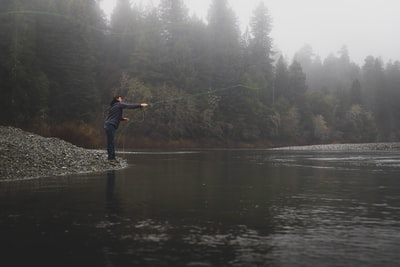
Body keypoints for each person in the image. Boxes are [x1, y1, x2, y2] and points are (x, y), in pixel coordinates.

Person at [104, 96, 148, 161]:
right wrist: (140, 105)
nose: (121, 99)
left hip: (108, 125)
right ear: (117, 99)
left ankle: (112, 157)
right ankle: (111, 158)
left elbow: (113, 116)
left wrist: (122, 119)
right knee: (111, 142)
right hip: (110, 125)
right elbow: (129, 106)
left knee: (110, 142)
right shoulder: (119, 104)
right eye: (120, 98)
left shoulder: (113, 106)